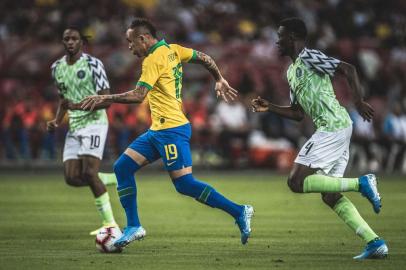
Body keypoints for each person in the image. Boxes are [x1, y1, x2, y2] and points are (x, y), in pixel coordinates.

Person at [81, 18, 254, 248]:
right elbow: (206, 58)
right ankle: (134, 226)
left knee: (185, 184)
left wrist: (105, 97)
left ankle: (239, 211)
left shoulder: (153, 59)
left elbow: (138, 95)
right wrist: (219, 78)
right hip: (158, 131)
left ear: (143, 39)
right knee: (122, 167)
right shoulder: (174, 50)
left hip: (172, 130)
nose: (130, 47)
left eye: (131, 42)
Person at [251, 18, 388, 259]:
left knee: (295, 182)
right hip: (337, 127)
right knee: (330, 195)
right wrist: (269, 107)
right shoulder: (291, 71)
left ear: (292, 37)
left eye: (280, 35)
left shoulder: (308, 57)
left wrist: (357, 100)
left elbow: (349, 69)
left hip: (332, 125)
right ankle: (375, 242)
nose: (277, 40)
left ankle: (361, 183)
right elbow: (297, 113)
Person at [47, 27, 118, 235]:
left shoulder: (93, 64)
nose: (70, 42)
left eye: (74, 39)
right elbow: (64, 98)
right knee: (71, 178)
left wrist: (80, 107)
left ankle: (110, 225)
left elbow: (107, 99)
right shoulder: (56, 67)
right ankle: (110, 179)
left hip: (95, 123)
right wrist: (57, 120)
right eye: (66, 38)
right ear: (63, 42)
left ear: (81, 42)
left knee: (88, 173)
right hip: (74, 126)